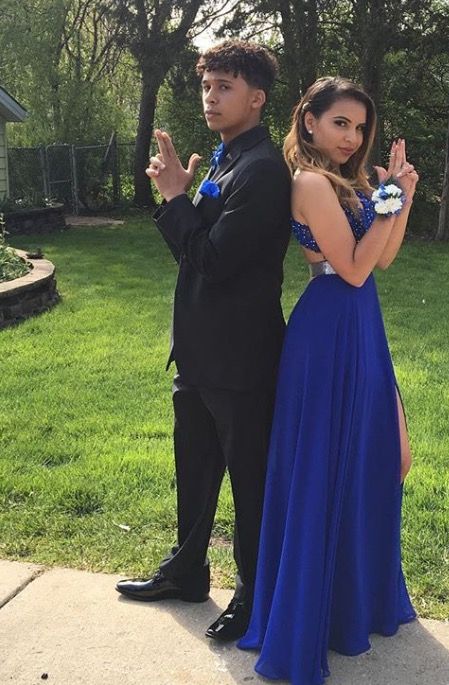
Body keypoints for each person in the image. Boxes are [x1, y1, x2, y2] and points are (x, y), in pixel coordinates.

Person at [237, 76, 419, 684]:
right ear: (308, 121)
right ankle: (313, 613)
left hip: (363, 327)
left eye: (360, 126)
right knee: (325, 465)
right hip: (328, 329)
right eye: (340, 122)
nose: (352, 136)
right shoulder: (310, 183)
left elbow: (385, 258)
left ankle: (354, 604)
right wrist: (388, 198)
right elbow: (352, 267)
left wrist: (400, 195)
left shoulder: (353, 183)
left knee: (370, 459)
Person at [115, 40, 291, 643]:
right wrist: (185, 198)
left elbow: (213, 261)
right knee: (193, 471)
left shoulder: (265, 170)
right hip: (198, 352)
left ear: (257, 98)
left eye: (225, 88)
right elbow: (196, 255)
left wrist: (173, 200)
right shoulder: (224, 160)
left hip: (242, 360)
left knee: (249, 481)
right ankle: (187, 571)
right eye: (207, 86)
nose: (211, 97)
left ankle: (254, 594)